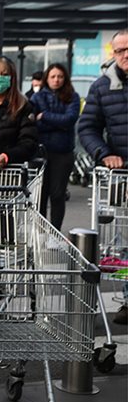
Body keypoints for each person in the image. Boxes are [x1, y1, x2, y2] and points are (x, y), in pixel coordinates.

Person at [78, 29, 128, 324]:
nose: (125, 55)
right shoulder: (102, 87)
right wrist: (103, 153)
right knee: (122, 243)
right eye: (119, 50)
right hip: (122, 177)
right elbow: (87, 128)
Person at [31, 63, 80, 231]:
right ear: (47, 78)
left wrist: (45, 116)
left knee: (58, 195)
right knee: (41, 195)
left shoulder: (73, 97)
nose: (56, 80)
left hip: (63, 153)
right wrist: (57, 122)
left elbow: (70, 120)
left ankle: (55, 231)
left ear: (65, 78)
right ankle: (41, 231)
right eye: (53, 76)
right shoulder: (37, 98)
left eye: (60, 76)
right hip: (42, 152)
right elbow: (34, 125)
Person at [0, 56, 38, 169]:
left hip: (10, 173)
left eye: (4, 75)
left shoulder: (22, 107)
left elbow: (29, 142)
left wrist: (6, 156)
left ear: (11, 78)